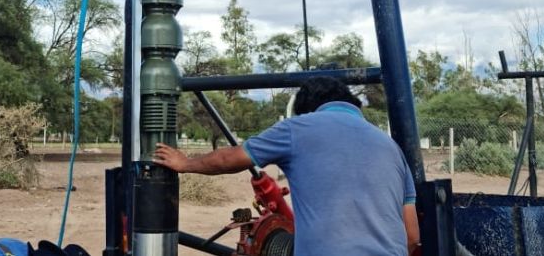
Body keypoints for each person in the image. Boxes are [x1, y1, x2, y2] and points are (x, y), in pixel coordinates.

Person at [155, 76, 420, 256]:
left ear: (307, 110)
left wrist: (185, 163)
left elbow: (229, 159)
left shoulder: (298, 128)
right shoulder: (391, 148)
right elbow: (411, 236)